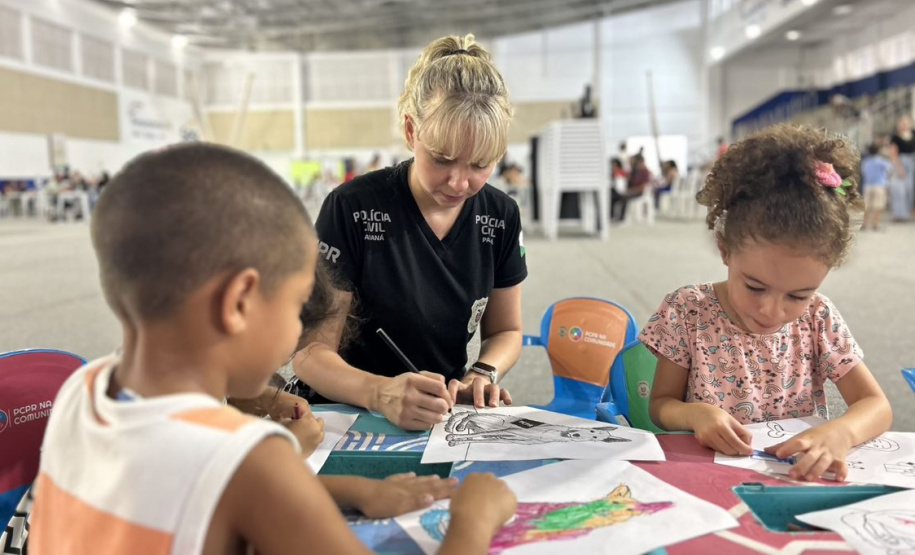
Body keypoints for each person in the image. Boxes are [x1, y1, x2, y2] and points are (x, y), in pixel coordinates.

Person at [29, 143, 517, 554]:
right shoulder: (250, 462)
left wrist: (356, 489)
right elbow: (245, 480)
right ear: (239, 302)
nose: (296, 340)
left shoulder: (83, 387)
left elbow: (176, 486)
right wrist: (473, 519)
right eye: (295, 309)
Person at [293, 34, 526, 431]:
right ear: (410, 131)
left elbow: (506, 330)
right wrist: (379, 393)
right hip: (341, 412)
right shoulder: (353, 207)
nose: (459, 182)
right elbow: (309, 352)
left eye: (480, 164)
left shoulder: (500, 215)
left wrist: (483, 373)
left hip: (438, 415)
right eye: (442, 159)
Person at [641, 125, 892, 482]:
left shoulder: (819, 318)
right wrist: (693, 415)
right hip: (707, 476)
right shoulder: (688, 310)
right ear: (725, 250)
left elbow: (877, 406)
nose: (772, 311)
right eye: (755, 287)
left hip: (792, 478)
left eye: (798, 295)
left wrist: (840, 433)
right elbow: (660, 405)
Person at [860, 143, 894, 231]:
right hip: (879, 185)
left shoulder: (865, 162)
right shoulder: (882, 161)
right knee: (878, 205)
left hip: (868, 185)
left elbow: (863, 173)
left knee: (866, 206)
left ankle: (865, 223)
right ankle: (876, 223)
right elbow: (890, 169)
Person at [610, 154, 652, 222]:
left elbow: (643, 187)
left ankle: (621, 219)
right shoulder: (635, 171)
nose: (632, 164)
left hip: (638, 193)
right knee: (613, 195)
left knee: (624, 198)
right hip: (630, 191)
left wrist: (630, 191)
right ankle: (611, 216)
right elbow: (625, 176)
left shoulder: (646, 173)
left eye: (634, 162)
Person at [890, 115, 915, 220]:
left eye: (906, 122)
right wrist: (899, 168)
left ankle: (909, 212)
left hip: (912, 162)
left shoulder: (913, 134)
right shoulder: (895, 137)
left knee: (910, 190)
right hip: (901, 163)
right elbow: (893, 154)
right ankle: (899, 214)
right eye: (902, 123)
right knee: (899, 190)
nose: (904, 125)